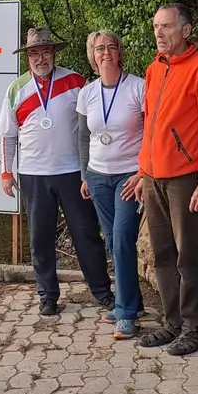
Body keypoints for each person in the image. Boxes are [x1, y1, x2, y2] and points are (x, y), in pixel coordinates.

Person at [0, 27, 115, 317]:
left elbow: (94, 124)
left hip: (73, 171)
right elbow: (7, 135)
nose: (41, 58)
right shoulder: (16, 89)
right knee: (40, 237)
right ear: (28, 57)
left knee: (86, 233)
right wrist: (5, 172)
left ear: (53, 53)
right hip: (33, 174)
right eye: (35, 53)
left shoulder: (76, 82)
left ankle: (102, 291)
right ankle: (47, 295)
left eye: (46, 51)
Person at [132, 4, 198, 356]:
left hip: (185, 177)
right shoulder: (154, 69)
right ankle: (172, 323)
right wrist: (143, 169)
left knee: (189, 254)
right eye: (156, 26)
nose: (159, 32)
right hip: (154, 176)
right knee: (163, 254)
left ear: (185, 30)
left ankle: (196, 327)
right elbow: (150, 123)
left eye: (166, 26)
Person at [75, 29, 147, 339]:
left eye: (111, 47)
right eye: (99, 48)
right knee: (112, 241)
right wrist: (84, 174)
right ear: (92, 55)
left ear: (119, 52)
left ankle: (127, 313)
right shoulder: (87, 92)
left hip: (129, 176)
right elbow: (82, 136)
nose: (105, 52)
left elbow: (153, 132)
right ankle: (132, 303)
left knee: (121, 239)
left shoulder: (137, 87)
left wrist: (144, 173)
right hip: (98, 176)